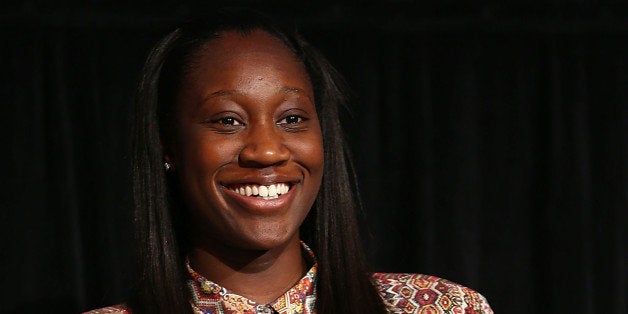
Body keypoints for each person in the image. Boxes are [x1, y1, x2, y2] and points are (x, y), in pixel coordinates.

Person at [85, 7, 493, 314]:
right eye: (228, 120)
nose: (267, 150)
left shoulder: (441, 307)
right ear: (168, 146)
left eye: (292, 119)